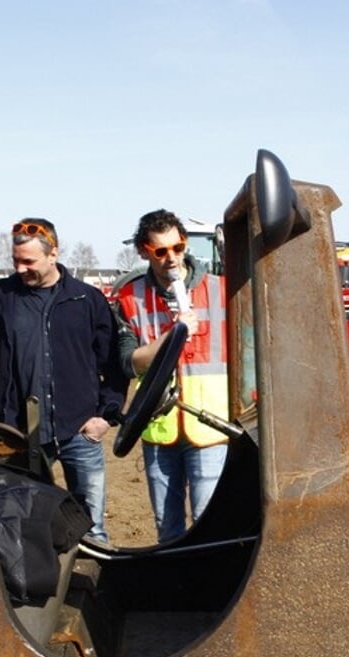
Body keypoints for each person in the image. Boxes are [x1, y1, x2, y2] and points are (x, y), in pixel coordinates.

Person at [0, 218, 125, 544]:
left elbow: (112, 365)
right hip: (20, 435)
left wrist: (106, 415)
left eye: (29, 261)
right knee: (22, 524)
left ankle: (93, 587)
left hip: (80, 431)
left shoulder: (86, 300)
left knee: (91, 526)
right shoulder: (0, 300)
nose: (21, 268)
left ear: (52, 254)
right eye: (16, 261)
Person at [115, 210, 230, 543]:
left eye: (178, 247)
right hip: (159, 429)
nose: (172, 258)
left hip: (210, 428)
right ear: (142, 251)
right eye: (160, 251)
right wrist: (173, 334)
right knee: (168, 528)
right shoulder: (128, 298)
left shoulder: (221, 290)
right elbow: (129, 362)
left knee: (210, 522)